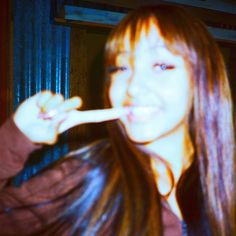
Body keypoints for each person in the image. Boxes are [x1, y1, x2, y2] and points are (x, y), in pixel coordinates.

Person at [0, 4, 235, 236]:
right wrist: (14, 138)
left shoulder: (226, 181)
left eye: (161, 65)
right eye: (121, 68)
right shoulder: (87, 177)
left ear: (203, 80)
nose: (133, 87)